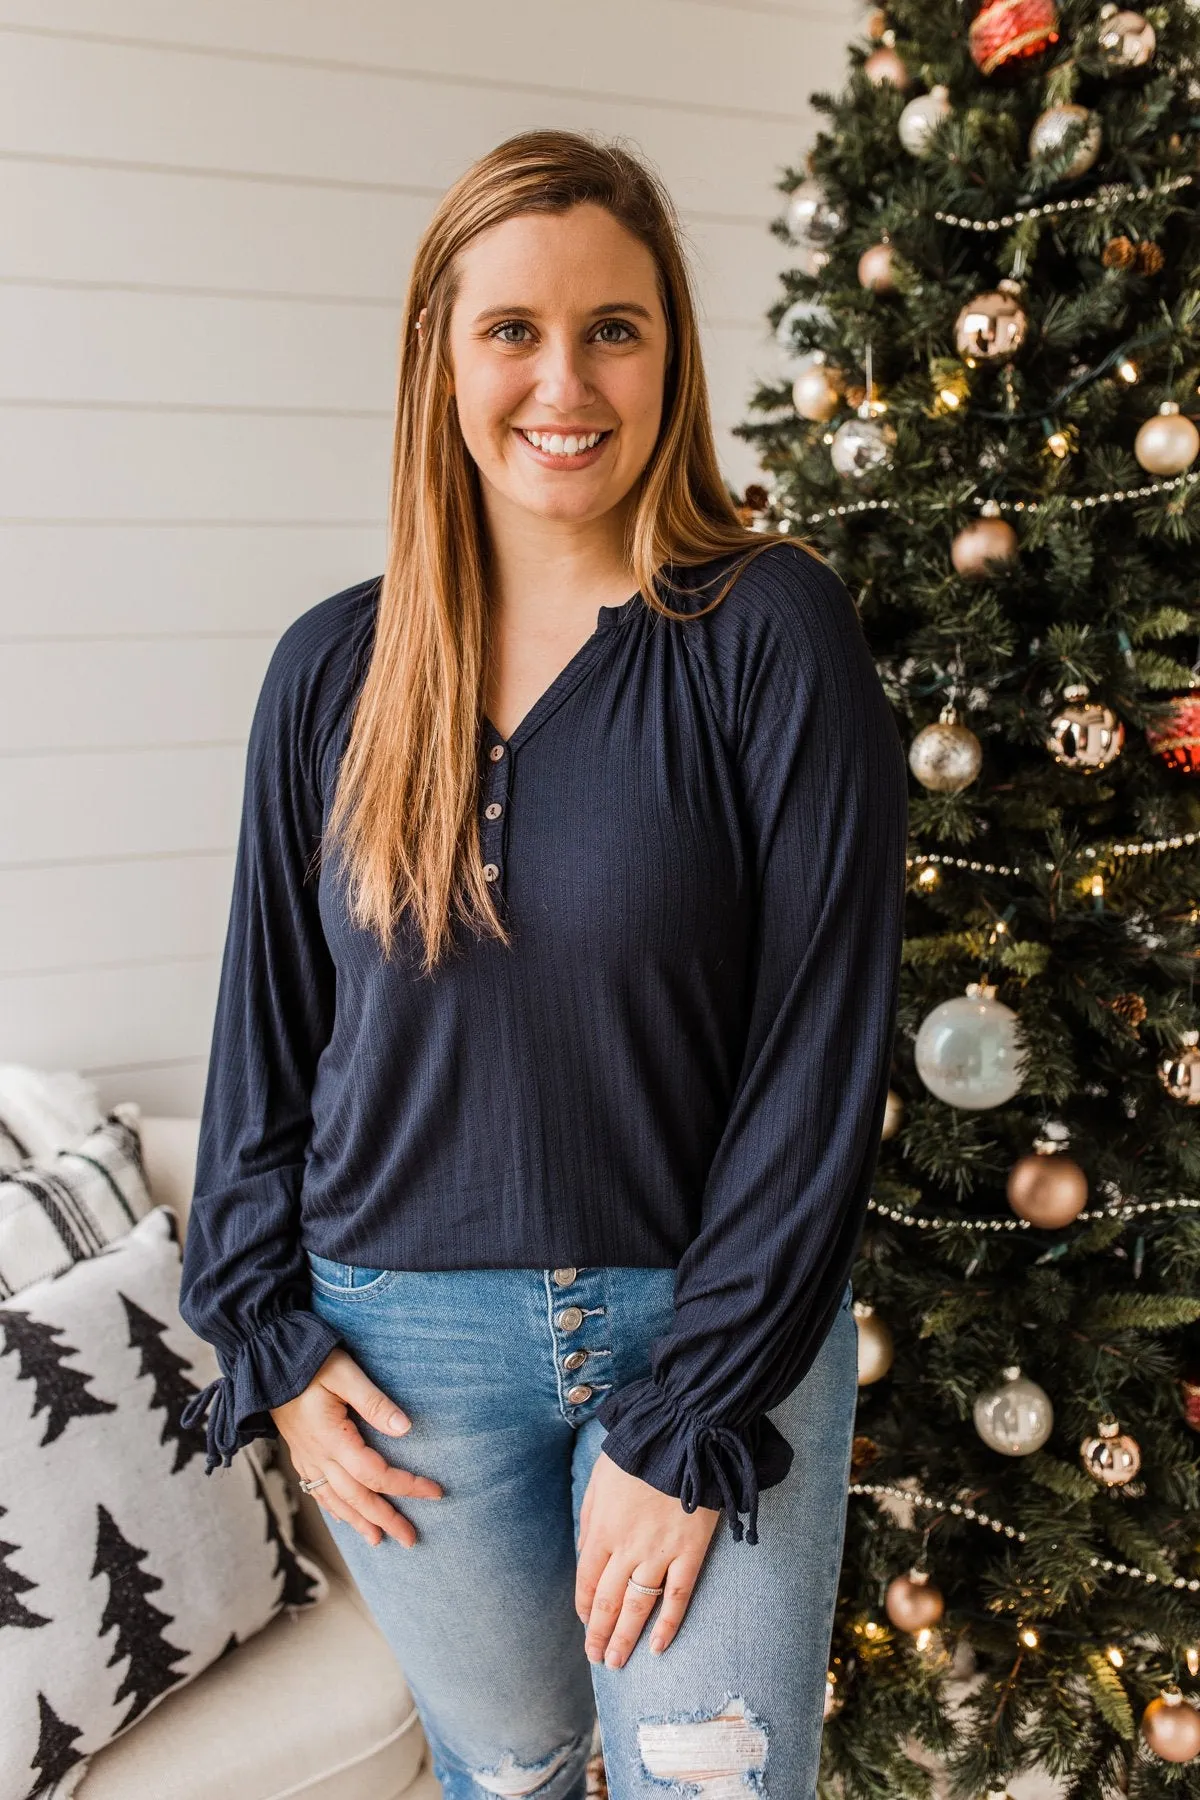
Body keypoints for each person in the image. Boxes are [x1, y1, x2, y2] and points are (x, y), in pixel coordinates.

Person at [178, 128, 908, 1800]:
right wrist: (269, 1347)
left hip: (706, 1329)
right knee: (506, 1770)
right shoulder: (331, 674)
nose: (563, 380)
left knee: (707, 1779)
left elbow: (822, 1052)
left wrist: (690, 1411)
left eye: (615, 328)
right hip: (400, 1357)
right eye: (511, 328)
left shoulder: (768, 629)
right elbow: (265, 1040)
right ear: (440, 356)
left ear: (672, 356)